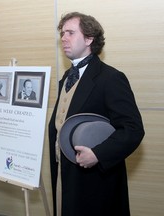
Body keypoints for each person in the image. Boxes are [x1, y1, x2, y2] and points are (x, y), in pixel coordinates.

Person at [48, 12, 145, 216]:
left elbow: (133, 129)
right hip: (65, 177)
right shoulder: (66, 77)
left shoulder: (111, 78)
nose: (63, 38)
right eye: (62, 33)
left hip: (95, 183)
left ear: (89, 38)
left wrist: (98, 154)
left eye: (70, 33)